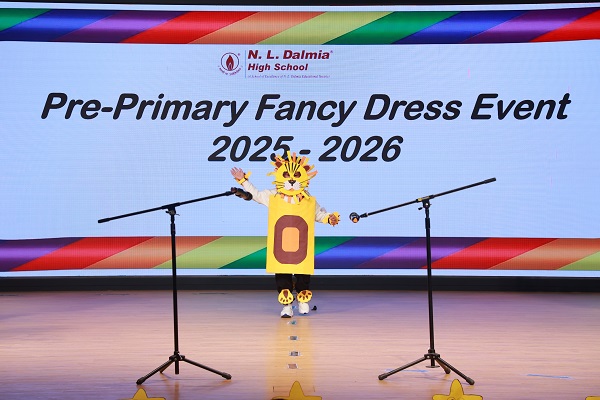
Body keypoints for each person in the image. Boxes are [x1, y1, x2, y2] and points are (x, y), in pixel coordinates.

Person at [231, 151, 339, 318]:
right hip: (281, 244)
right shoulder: (273, 196)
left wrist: (329, 218)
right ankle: (287, 306)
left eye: (296, 175)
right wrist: (243, 181)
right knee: (282, 274)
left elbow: (318, 214)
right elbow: (256, 195)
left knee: (303, 272)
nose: (291, 179)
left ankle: (303, 300)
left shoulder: (307, 198)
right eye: (287, 175)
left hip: (301, 243)